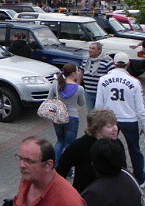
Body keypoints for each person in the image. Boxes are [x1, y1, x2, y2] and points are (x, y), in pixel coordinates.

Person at [95, 51, 145, 184]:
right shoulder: (134, 82)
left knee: (106, 146)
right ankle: (140, 178)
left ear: (113, 63)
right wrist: (143, 125)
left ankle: (108, 173)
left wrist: (96, 123)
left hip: (109, 119)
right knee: (134, 149)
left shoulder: (103, 80)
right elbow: (140, 108)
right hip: (130, 119)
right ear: (128, 64)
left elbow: (99, 104)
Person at [56, 109, 123, 192]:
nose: (116, 128)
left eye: (115, 124)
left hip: (112, 193)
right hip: (86, 195)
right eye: (110, 126)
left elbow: (123, 169)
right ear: (97, 130)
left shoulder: (117, 143)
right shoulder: (79, 146)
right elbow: (61, 170)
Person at [48, 63, 85, 164]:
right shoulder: (79, 88)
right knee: (69, 144)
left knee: (60, 141)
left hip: (57, 116)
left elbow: (49, 98)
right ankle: (66, 168)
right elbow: (82, 103)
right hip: (72, 117)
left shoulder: (56, 84)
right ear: (73, 73)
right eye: (77, 71)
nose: (78, 73)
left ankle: (54, 165)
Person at [79, 42, 114, 111]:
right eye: (89, 48)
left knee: (99, 113)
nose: (90, 50)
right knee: (90, 113)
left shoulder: (107, 60)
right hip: (88, 92)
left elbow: (112, 75)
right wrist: (78, 85)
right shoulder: (86, 59)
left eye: (93, 48)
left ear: (99, 50)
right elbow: (81, 72)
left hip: (101, 93)